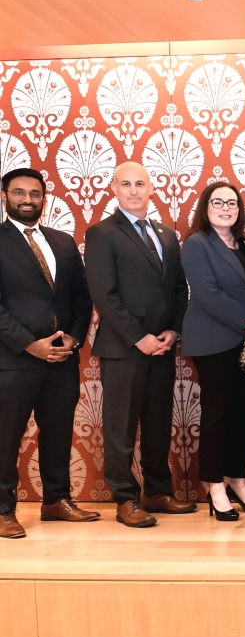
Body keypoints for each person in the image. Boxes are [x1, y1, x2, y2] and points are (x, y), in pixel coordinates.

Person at [84, 161, 193, 528]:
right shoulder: (102, 233)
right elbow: (104, 294)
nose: (134, 190)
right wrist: (139, 338)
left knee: (158, 424)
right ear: (114, 189)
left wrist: (173, 332)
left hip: (162, 348)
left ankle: (157, 491)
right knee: (121, 428)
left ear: (151, 189)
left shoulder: (165, 234)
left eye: (140, 184)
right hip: (123, 350)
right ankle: (125, 498)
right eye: (126, 184)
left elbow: (178, 289)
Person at [0, 168, 96, 539]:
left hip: (61, 358)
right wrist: (29, 343)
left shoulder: (62, 241)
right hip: (14, 358)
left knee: (58, 431)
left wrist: (72, 339)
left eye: (35, 193)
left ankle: (57, 500)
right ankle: (4, 509)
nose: (28, 199)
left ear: (45, 197)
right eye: (19, 193)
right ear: (5, 196)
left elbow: (81, 296)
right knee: (6, 435)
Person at [180, 182, 245, 521]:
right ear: (205, 207)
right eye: (217, 202)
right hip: (214, 341)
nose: (225, 207)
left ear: (239, 208)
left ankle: (237, 480)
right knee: (217, 416)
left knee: (244, 415)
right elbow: (208, 294)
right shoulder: (196, 244)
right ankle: (215, 487)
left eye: (231, 202)